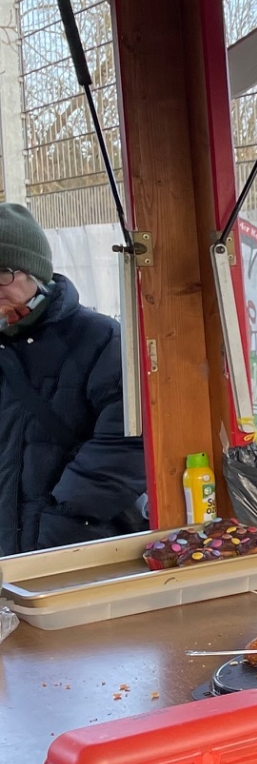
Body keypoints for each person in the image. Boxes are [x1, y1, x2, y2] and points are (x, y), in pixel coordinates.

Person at [0, 202, 144, 554]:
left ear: (36, 271)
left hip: (74, 548)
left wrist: (62, 517)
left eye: (3, 272)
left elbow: (129, 442)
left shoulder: (103, 339)